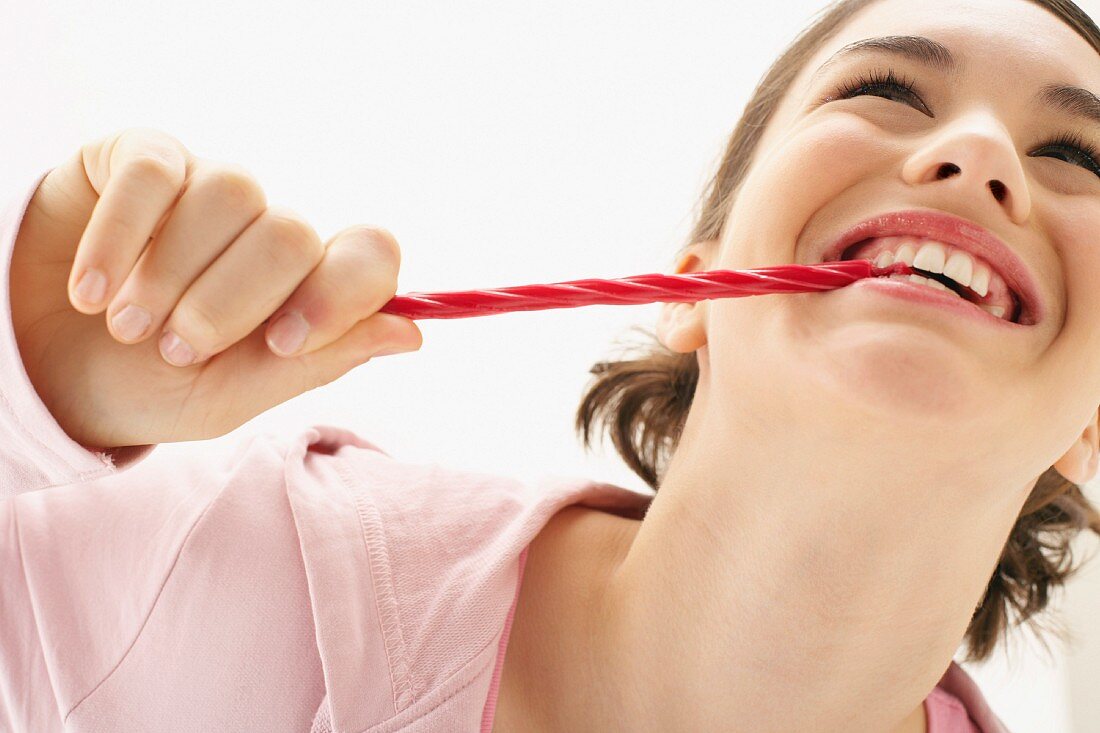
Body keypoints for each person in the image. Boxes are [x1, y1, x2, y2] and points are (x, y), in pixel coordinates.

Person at [3, 0, 1100, 730]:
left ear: (1088, 426)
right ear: (693, 285)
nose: (979, 155)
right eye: (884, 92)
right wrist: (26, 386)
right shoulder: (220, 559)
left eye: (1075, 157)